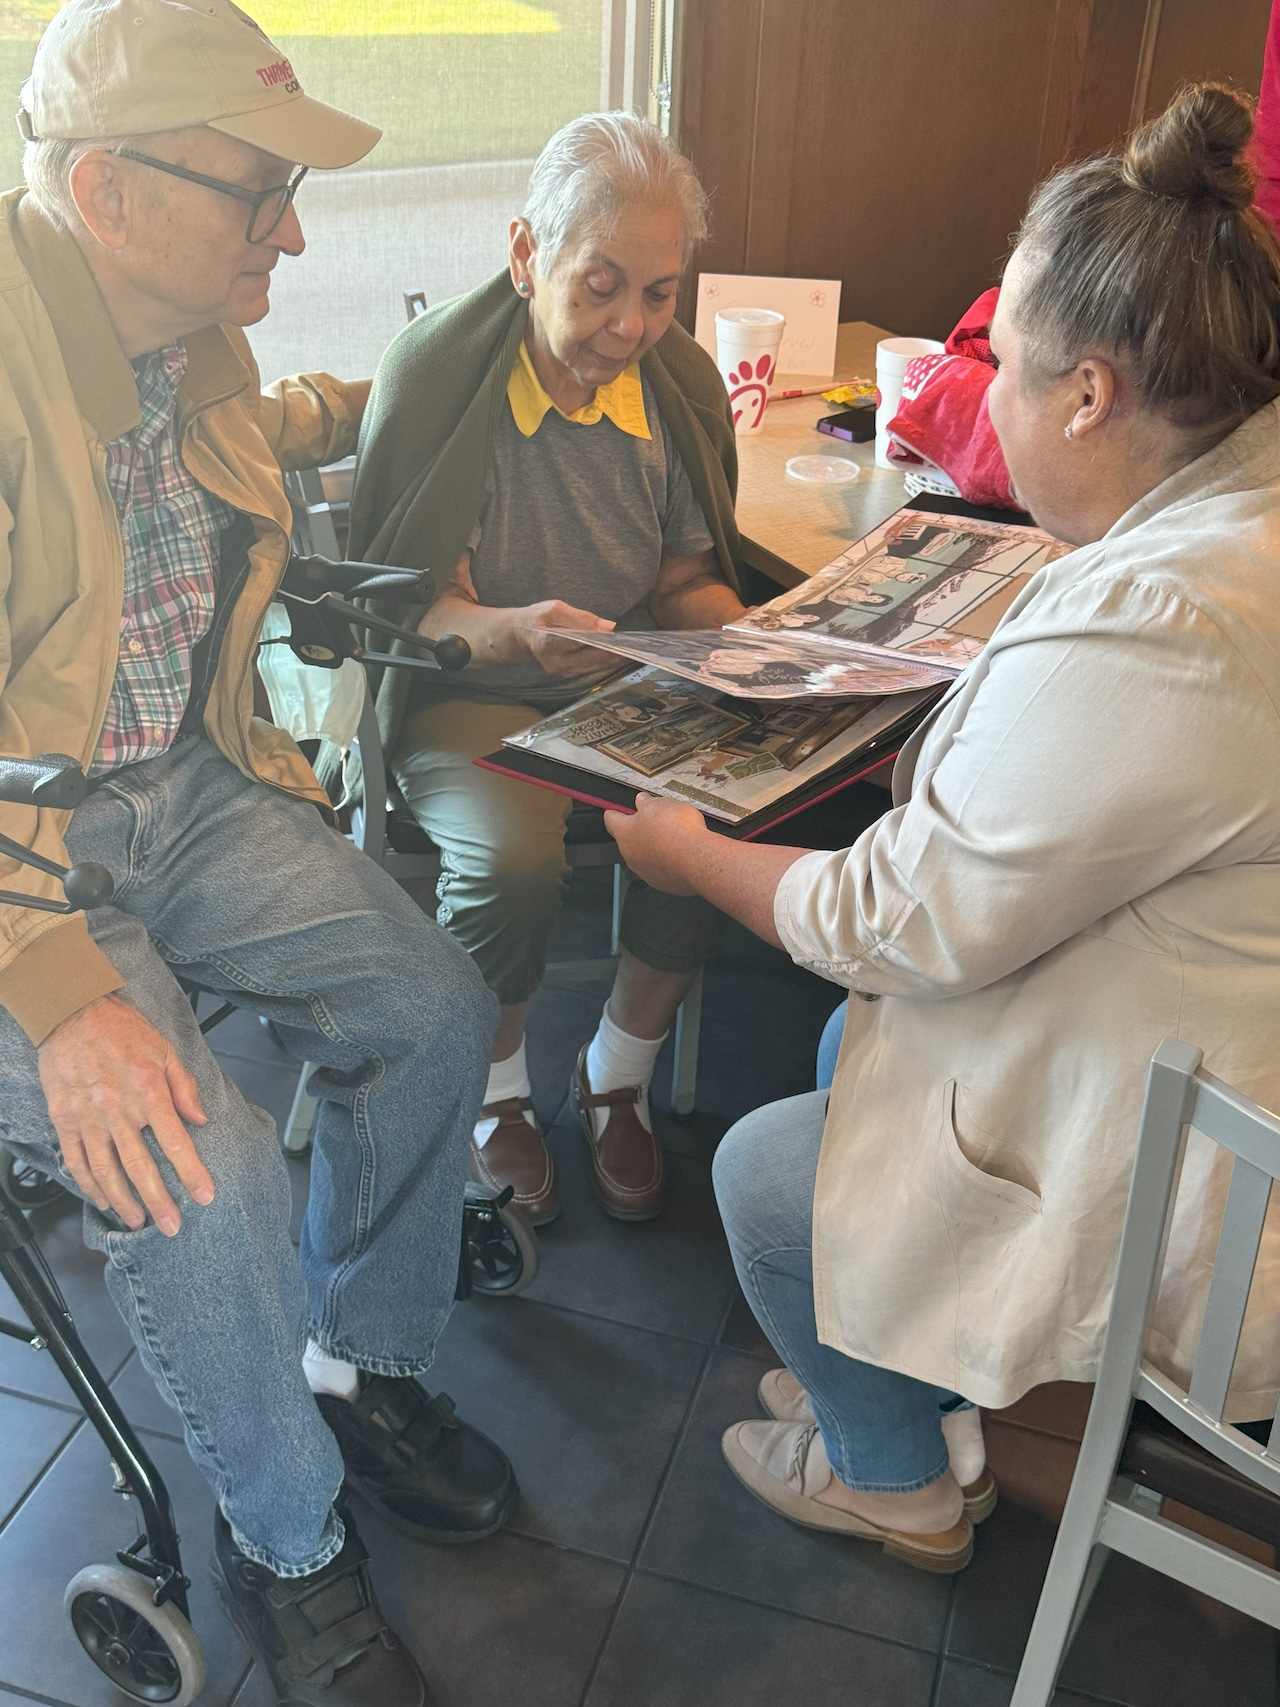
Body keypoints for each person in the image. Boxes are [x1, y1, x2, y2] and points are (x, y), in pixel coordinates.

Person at [606, 82, 1280, 1574]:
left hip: (1222, 1151)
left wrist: (685, 850)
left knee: (772, 1173)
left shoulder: (1176, 614)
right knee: (858, 1054)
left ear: (1093, 395)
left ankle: (894, 1474)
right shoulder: (1239, 507)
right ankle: (895, 1366)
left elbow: (899, 916)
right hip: (1193, 1018)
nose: (994, 409)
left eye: (1010, 379)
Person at [0, 5, 515, 1702]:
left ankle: (361, 1366)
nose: (292, 231)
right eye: (260, 194)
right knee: (188, 1153)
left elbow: (260, 426)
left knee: (431, 1003)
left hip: (183, 789)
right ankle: (285, 1539)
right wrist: (66, 1001)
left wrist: (450, 373)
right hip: (21, 871)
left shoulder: (183, 328)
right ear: (107, 192)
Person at [347, 113, 744, 1229]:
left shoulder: (677, 386)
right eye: (601, 286)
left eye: (659, 294)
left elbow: (682, 580)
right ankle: (498, 1088)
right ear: (526, 256)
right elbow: (411, 609)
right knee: (514, 855)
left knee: (710, 822)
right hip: (468, 684)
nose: (630, 327)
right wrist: (516, 629)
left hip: (614, 685)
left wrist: (750, 638)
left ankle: (617, 1071)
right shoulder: (436, 379)